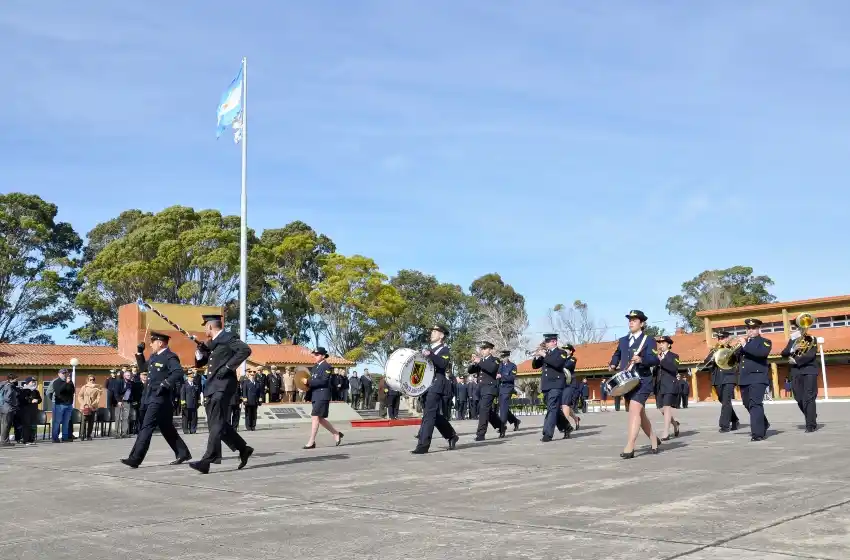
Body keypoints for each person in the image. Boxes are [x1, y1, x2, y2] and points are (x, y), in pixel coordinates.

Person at [190, 314, 254, 474]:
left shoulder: (228, 337)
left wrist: (229, 367)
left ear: (211, 326)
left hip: (223, 385)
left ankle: (207, 460)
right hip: (212, 386)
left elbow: (245, 350)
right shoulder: (212, 343)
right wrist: (200, 351)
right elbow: (203, 362)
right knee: (217, 424)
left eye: (205, 326)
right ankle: (243, 448)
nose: (205, 329)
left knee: (217, 422)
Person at [120, 333, 192, 468]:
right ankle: (183, 453)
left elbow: (178, 372)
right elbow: (143, 368)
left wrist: (165, 383)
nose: (151, 344)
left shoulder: (170, 356)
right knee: (167, 428)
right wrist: (139, 353)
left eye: (152, 342)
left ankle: (135, 458)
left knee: (146, 426)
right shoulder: (154, 356)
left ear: (160, 343)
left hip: (160, 397)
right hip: (150, 396)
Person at [609, 310, 661, 458]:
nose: (631, 322)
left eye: (634, 320)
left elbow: (655, 360)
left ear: (642, 323)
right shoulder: (623, 340)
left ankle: (630, 446)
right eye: (630, 320)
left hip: (643, 380)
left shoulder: (648, 340)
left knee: (634, 409)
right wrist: (613, 364)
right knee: (640, 413)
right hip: (628, 382)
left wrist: (642, 360)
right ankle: (653, 439)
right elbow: (617, 354)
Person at [412, 325, 459, 454]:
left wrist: (430, 354)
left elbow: (443, 364)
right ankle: (451, 435)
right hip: (426, 385)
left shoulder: (444, 350)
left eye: (434, 331)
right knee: (432, 414)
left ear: (441, 335)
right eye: (431, 331)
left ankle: (423, 445)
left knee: (428, 415)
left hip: (436, 384)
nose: (432, 333)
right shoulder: (429, 350)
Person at [736, 318, 772, 441]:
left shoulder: (765, 342)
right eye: (749, 328)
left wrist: (745, 345)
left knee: (755, 404)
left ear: (758, 329)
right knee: (747, 404)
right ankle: (763, 423)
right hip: (744, 378)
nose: (750, 330)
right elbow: (735, 359)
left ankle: (757, 434)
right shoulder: (743, 344)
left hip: (758, 377)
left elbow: (760, 354)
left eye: (753, 328)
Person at [781, 321, 819, 432]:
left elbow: (811, 355)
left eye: (800, 327)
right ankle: (811, 415)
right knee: (798, 398)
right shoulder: (792, 340)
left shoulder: (812, 339)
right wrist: (793, 347)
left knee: (809, 397)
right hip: (795, 372)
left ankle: (810, 425)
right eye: (796, 327)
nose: (798, 329)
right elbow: (784, 353)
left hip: (809, 370)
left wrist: (796, 360)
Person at [303, 347, 344, 448]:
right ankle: (336, 433)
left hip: (322, 394)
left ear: (323, 356)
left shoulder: (327, 367)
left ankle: (311, 441)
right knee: (320, 419)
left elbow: (323, 381)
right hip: (315, 395)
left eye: (317, 355)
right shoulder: (315, 367)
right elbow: (312, 381)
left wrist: (308, 382)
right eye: (314, 355)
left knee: (315, 417)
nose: (315, 357)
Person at [532, 333, 568, 443]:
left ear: (554, 342)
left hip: (556, 384)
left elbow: (557, 364)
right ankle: (566, 427)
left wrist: (544, 356)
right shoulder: (546, 354)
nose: (546, 344)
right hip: (547, 385)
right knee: (554, 409)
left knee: (551, 408)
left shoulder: (561, 353)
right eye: (546, 342)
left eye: (548, 342)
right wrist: (537, 355)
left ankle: (547, 433)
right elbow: (535, 366)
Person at [468, 342, 503, 441]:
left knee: (484, 409)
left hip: (490, 388)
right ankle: (500, 426)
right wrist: (473, 362)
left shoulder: (495, 360)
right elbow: (470, 371)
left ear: (490, 350)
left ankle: (480, 434)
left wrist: (480, 361)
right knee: (485, 410)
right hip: (480, 389)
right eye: (482, 349)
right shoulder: (481, 361)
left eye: (485, 349)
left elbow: (492, 369)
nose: (482, 351)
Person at [655, 336, 681, 440]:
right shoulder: (656, 356)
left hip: (670, 384)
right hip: (659, 385)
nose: (661, 345)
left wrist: (661, 360)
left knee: (666, 407)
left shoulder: (675, 356)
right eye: (659, 343)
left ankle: (665, 432)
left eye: (663, 343)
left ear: (669, 345)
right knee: (661, 409)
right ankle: (675, 424)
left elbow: (674, 368)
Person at [497, 350, 522, 434]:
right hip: (500, 388)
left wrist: (502, 376)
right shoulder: (499, 365)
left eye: (504, 357)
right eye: (502, 357)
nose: (503, 359)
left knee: (503, 408)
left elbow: (512, 377)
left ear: (508, 357)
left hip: (508, 388)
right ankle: (515, 421)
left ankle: (502, 426)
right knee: (503, 408)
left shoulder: (512, 366)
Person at [112, 370, 142, 438]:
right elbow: (116, 392)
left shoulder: (132, 383)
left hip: (128, 402)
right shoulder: (119, 382)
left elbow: (134, 393)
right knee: (118, 418)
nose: (129, 376)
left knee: (126, 418)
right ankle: (116, 433)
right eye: (128, 375)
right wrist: (119, 401)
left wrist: (134, 401)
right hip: (119, 401)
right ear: (124, 376)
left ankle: (124, 433)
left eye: (130, 375)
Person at [51, 369, 75, 443]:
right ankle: (55, 437)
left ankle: (65, 437)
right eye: (63, 373)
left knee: (66, 422)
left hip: (69, 405)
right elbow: (59, 391)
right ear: (59, 374)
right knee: (57, 422)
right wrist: (66, 383)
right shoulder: (56, 382)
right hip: (59, 405)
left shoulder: (69, 382)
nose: (64, 374)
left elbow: (73, 391)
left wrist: (70, 383)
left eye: (65, 373)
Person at [77, 375, 103, 441]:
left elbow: (98, 398)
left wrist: (93, 404)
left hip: (92, 406)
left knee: (91, 422)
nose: (92, 381)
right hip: (85, 406)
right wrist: (83, 403)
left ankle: (89, 435)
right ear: (88, 380)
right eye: (90, 379)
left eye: (93, 379)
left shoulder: (98, 388)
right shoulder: (84, 387)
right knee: (84, 421)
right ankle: (82, 435)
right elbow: (80, 396)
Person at [18, 377, 41, 445]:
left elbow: (40, 399)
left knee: (33, 425)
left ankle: (32, 439)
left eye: (34, 382)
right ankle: (25, 440)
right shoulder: (23, 390)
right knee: (26, 425)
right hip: (26, 410)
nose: (33, 383)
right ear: (28, 382)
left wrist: (37, 400)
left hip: (34, 410)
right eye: (32, 381)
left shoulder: (36, 391)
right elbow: (22, 400)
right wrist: (31, 401)